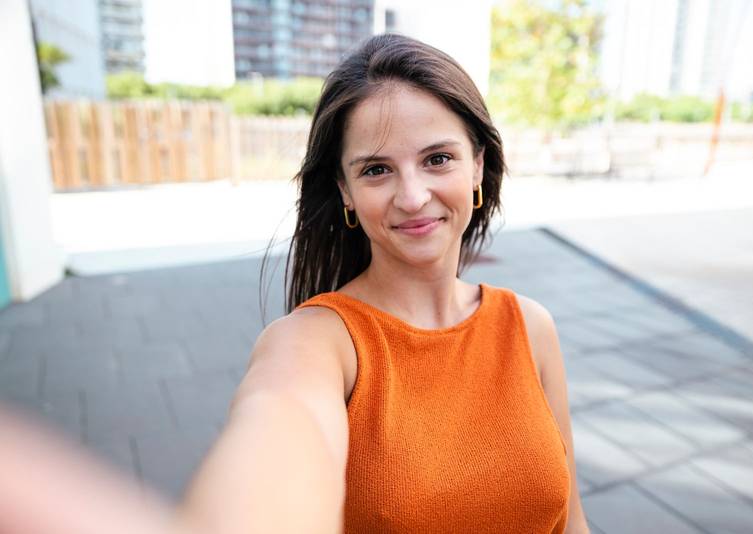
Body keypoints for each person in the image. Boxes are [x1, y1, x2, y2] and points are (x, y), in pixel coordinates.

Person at [0, 34, 590, 534]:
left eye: (438, 158)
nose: (412, 196)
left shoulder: (529, 326)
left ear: (479, 164)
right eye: (377, 169)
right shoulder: (318, 341)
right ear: (344, 192)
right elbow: (281, 425)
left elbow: (573, 520)